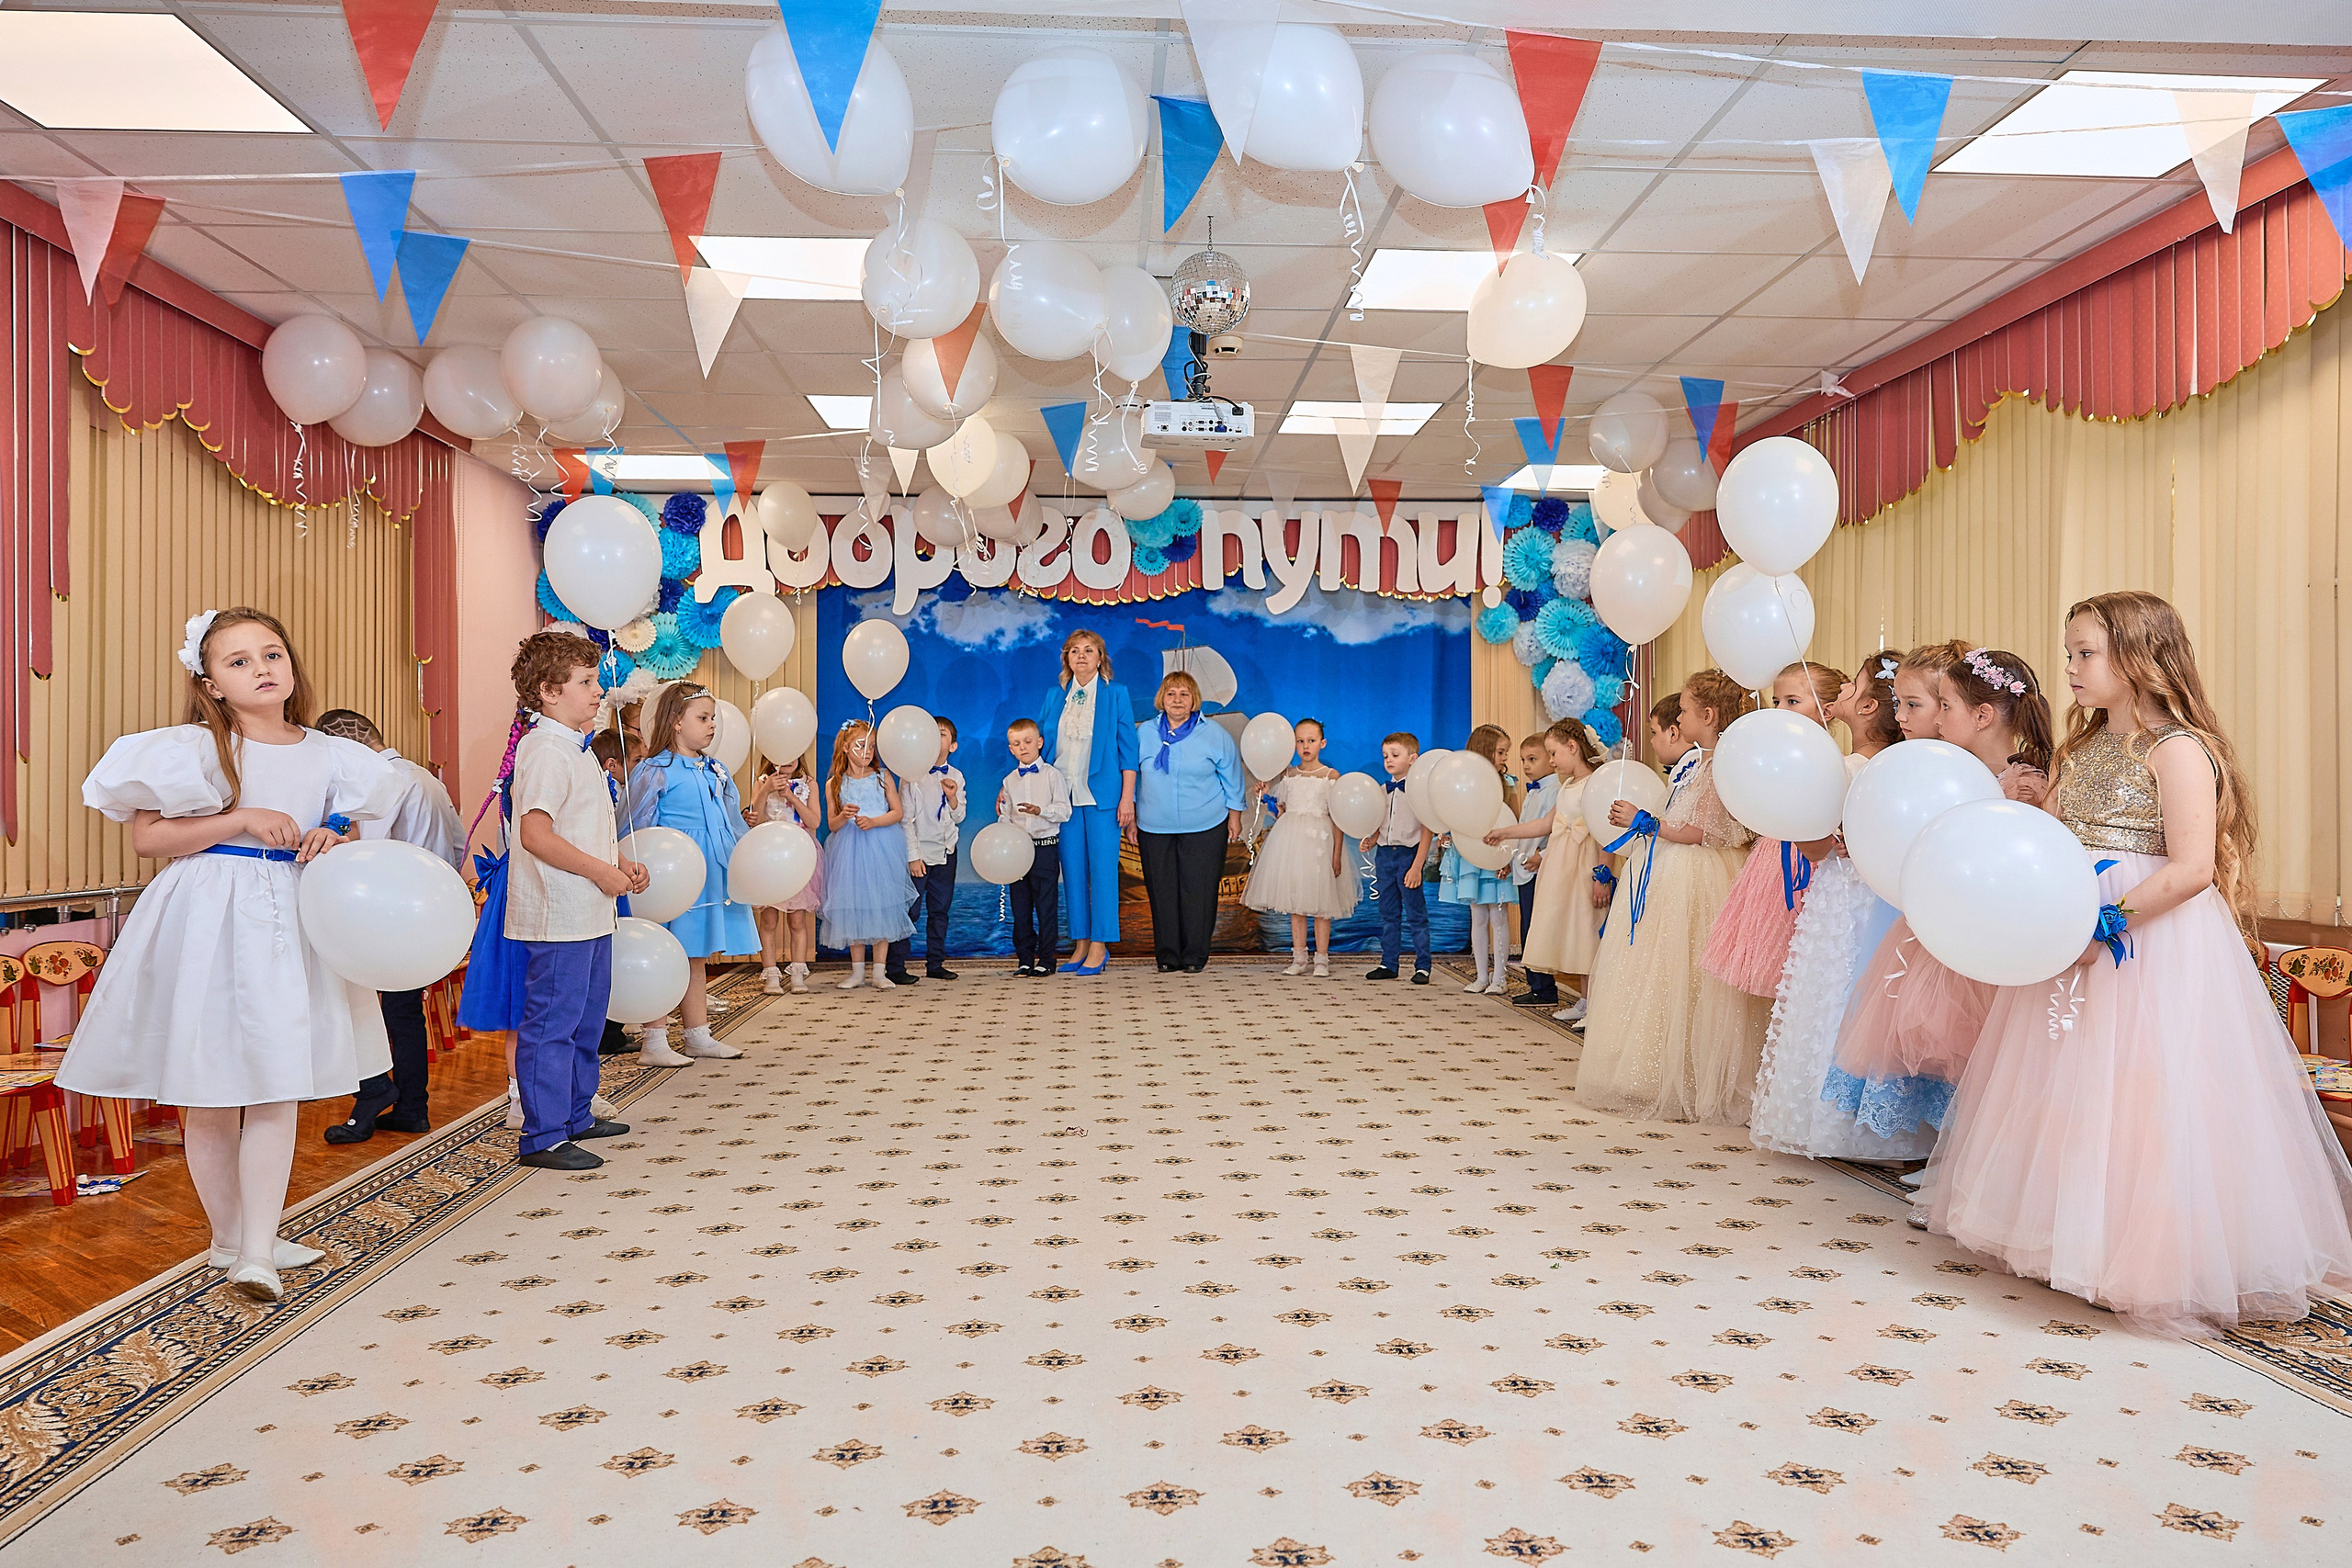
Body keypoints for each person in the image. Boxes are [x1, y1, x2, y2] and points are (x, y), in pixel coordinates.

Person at [1919, 592, 2352, 1335]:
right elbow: (2052, 840)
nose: (2071, 667)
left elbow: (2192, 867)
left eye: (2086, 652)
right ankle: (2064, 1237)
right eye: (2071, 653)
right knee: (2067, 1080)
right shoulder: (2080, 749)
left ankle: (2144, 1258)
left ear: (2139, 656)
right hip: (2070, 932)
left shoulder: (2176, 749)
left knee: (2145, 1091)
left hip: (2149, 939)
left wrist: (2106, 922)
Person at [57, 608, 401, 1300]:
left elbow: (349, 826)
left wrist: (332, 835)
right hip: (210, 917)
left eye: (272, 653)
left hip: (292, 918)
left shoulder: (334, 754)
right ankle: (231, 1238)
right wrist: (240, 818)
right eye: (238, 661)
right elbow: (150, 839)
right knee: (210, 1091)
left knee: (277, 1083)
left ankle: (258, 1248)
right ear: (211, 683)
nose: (261, 669)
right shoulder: (192, 750)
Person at [1829, 641, 2038, 1142]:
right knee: (1941, 1040)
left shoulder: (2023, 782)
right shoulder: (1949, 771)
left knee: (1983, 1043)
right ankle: (1948, 1152)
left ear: (1983, 716)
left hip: (1987, 927)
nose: (1937, 719)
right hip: (1940, 919)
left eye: (1946, 707)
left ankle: (1971, 1151)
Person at [1746, 655, 1934, 1160]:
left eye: (1852, 686)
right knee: (1870, 999)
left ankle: (1829, 1120)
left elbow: (1814, 849)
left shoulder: (1844, 768)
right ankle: (1885, 1123)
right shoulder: (1900, 765)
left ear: (1868, 706)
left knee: (1831, 993)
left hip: (1842, 896)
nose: (1843, 691)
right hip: (1884, 899)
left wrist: (1789, 808)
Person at [1576, 670, 1767, 1125]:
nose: (1678, 718)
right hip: (1678, 869)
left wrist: (1646, 821)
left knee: (1688, 969)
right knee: (1665, 970)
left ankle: (1694, 1075)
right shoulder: (1702, 762)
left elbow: (1705, 831)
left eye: (1683, 710)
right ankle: (1660, 1069)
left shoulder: (1721, 765)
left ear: (1709, 715)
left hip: (1698, 874)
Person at [504, 631, 648, 1173]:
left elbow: (580, 827)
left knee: (586, 1021)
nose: (597, 691)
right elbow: (535, 835)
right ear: (547, 691)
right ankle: (542, 1135)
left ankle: (576, 1114)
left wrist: (619, 862)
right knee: (553, 1025)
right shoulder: (545, 750)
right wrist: (603, 872)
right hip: (559, 912)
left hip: (590, 909)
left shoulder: (576, 747)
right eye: (585, 682)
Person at [315, 708, 464, 1145]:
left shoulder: (381, 783)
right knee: (403, 1012)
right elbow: (457, 844)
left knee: (379, 1010)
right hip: (430, 907)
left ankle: (380, 1097)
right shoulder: (426, 777)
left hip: (391, 912)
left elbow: (365, 851)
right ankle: (411, 1107)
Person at [625, 682, 753, 1064]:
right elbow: (634, 824)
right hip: (669, 875)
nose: (712, 725)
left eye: (713, 718)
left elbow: (731, 820)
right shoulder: (655, 770)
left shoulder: (715, 769)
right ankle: (654, 1040)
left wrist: (744, 859)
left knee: (694, 954)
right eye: (703, 717)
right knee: (663, 951)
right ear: (676, 722)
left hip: (708, 870)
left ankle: (698, 1035)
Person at [1702, 662, 1840, 998]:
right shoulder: (1773, 756)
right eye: (1777, 701)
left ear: (1827, 711)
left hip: (1813, 861)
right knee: (1773, 954)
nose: (1780, 710)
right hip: (1774, 859)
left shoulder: (1832, 762)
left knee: (1807, 959)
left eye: (1792, 701)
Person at [1487, 720, 1611, 1027]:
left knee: (1588, 931)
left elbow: (1606, 835)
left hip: (1584, 867)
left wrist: (1602, 876)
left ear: (1573, 747)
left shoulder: (1597, 783)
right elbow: (1545, 824)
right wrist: (1505, 832)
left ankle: (1597, 1005)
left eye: (1554, 753)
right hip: (1562, 868)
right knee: (1574, 932)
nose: (1552, 761)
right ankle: (1585, 1001)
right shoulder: (1567, 786)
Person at [1130, 671, 1245, 974]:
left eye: (1184, 694)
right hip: (1154, 826)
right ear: (1161, 699)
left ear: (1194, 700)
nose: (1177, 700)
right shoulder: (1143, 733)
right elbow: (1131, 778)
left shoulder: (1214, 734)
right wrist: (1130, 818)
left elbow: (1232, 776)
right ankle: (1168, 955)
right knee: (1162, 893)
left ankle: (1195, 955)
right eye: (1171, 694)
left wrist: (1235, 816)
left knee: (1200, 893)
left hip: (1206, 825)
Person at [1036, 629, 1137, 975]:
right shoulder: (1055, 695)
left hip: (1103, 798)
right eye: (1074, 650)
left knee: (1104, 873)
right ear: (1066, 658)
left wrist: (1127, 798)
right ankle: (1080, 942)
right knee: (1073, 873)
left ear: (1100, 658)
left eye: (1089, 650)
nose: (1081, 656)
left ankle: (1100, 944)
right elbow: (1040, 746)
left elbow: (1129, 752)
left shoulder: (1116, 693)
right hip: (1062, 798)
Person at [1242, 716, 1357, 976]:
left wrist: (1337, 855)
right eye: (1300, 741)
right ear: (1293, 745)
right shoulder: (1288, 775)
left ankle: (1322, 959)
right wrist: (1265, 798)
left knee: (1321, 904)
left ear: (1322, 743)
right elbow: (1281, 813)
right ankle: (1299, 958)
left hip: (1321, 844)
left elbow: (1338, 818)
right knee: (1296, 903)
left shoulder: (1331, 776)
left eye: (1311, 741)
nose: (1306, 746)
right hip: (1292, 843)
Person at [819, 718, 916, 988]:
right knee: (855, 906)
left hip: (880, 847)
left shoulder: (882, 777)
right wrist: (844, 815)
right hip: (848, 851)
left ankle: (880, 972)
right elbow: (832, 825)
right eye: (861, 745)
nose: (867, 751)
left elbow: (897, 812)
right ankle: (857, 971)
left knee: (881, 904)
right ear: (845, 748)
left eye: (872, 746)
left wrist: (873, 822)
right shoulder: (834, 783)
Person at [1434, 725, 1520, 996]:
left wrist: (1508, 857)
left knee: (1499, 916)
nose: (1504, 758)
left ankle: (1500, 976)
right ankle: (1482, 975)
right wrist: (1446, 835)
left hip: (1497, 855)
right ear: (1485, 750)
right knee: (1478, 917)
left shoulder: (1508, 784)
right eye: (1501, 752)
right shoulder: (1463, 783)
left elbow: (1514, 823)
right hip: (1471, 857)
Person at [890, 716, 967, 982]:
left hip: (946, 852)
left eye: (942, 734)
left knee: (940, 910)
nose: (936, 737)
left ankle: (935, 963)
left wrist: (953, 797)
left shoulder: (956, 776)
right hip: (919, 855)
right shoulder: (911, 774)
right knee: (909, 910)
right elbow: (905, 819)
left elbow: (959, 816)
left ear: (952, 746)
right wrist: (913, 857)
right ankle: (896, 966)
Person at [745, 746, 822, 994]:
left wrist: (792, 797)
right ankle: (770, 975)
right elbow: (754, 820)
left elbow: (814, 821)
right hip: (769, 856)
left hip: (798, 855)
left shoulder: (809, 783)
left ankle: (798, 973)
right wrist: (766, 790)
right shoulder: (762, 781)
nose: (787, 758)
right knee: (769, 919)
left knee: (797, 919)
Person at [997, 717, 1071, 976]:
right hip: (1019, 852)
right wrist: (1004, 829)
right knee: (1020, 909)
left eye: (1028, 742)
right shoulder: (1009, 781)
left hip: (1045, 849)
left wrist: (1041, 811)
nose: (1023, 748)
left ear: (1039, 742)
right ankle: (1025, 959)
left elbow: (1064, 811)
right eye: (1017, 744)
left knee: (1046, 907)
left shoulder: (1052, 775)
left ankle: (1047, 959)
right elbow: (1005, 814)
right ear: (1011, 749)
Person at [1365, 732, 1432, 984]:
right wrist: (1371, 839)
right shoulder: (1381, 791)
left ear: (1412, 759)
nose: (1389, 760)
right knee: (1388, 913)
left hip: (1408, 856)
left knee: (1416, 913)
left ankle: (1423, 966)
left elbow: (1427, 830)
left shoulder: (1419, 792)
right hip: (1384, 856)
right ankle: (1388, 963)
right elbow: (1378, 822)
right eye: (1385, 756)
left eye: (1395, 755)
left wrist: (1417, 866)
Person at [1503, 732, 1561, 1008]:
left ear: (1551, 759)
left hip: (1540, 869)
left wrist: (1542, 856)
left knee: (1537, 929)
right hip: (1525, 868)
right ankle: (1536, 985)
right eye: (1523, 760)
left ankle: (1544, 988)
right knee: (1527, 927)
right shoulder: (1534, 790)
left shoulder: (1555, 790)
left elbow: (1557, 831)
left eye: (1533, 759)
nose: (1526, 766)